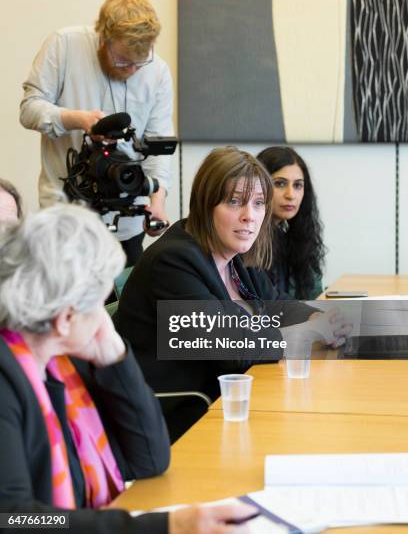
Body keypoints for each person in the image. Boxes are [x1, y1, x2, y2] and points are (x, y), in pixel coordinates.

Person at [0, 203, 257, 533]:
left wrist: (115, 358)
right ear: (64, 319)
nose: (102, 317)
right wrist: (167, 526)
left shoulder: (64, 364)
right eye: (95, 303)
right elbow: (15, 519)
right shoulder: (8, 382)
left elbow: (149, 459)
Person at [114, 147, 349, 441]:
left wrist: (320, 318)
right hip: (178, 419)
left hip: (229, 407)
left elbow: (278, 306)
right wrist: (308, 332)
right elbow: (230, 347)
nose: (250, 216)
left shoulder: (234, 256)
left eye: (259, 203)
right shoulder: (172, 262)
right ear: (204, 204)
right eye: (235, 202)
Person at [20, 0, 174, 265]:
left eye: (140, 63)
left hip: (128, 222)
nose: (132, 71)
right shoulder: (63, 45)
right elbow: (29, 109)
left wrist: (157, 202)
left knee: (125, 306)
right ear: (102, 38)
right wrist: (77, 119)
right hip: (65, 218)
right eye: (123, 61)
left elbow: (157, 146)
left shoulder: (158, 72)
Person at [257, 146, 325, 300]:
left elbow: (314, 297)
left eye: (297, 185)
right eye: (280, 183)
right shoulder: (245, 239)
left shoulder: (296, 234)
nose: (291, 195)